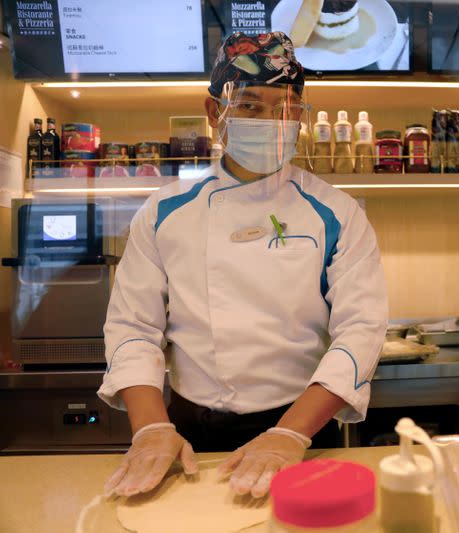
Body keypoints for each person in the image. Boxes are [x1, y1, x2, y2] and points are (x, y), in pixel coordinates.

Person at [98, 31, 388, 499]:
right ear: (216, 113)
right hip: (189, 434)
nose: (274, 122)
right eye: (251, 106)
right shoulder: (163, 212)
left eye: (288, 109)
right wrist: (151, 427)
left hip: (302, 428)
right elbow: (133, 326)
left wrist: (289, 434)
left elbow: (362, 329)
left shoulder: (337, 212)